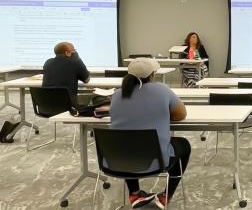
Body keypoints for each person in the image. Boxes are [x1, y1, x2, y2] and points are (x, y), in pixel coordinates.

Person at [109, 58, 189, 209]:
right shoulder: (161, 89)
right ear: (152, 75)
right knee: (184, 144)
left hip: (118, 159)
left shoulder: (117, 94)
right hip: (155, 159)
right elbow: (181, 115)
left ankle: (134, 193)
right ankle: (166, 196)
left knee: (126, 141)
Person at [42, 42, 90, 106]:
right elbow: (87, 80)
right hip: (67, 107)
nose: (75, 53)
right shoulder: (75, 61)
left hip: (46, 107)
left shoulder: (47, 62)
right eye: (74, 51)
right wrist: (78, 59)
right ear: (67, 53)